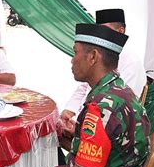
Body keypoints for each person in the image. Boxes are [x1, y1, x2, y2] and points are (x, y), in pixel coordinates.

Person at [3, 23, 150, 167]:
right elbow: (107, 147)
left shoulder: (99, 109)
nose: (72, 60)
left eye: (75, 53)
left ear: (93, 57)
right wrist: (73, 140)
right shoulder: (121, 91)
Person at [61, 9, 146, 141]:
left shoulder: (131, 63)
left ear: (120, 31)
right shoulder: (103, 65)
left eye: (75, 52)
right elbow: (85, 88)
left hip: (104, 131)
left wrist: (79, 126)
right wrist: (70, 111)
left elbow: (116, 108)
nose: (100, 35)